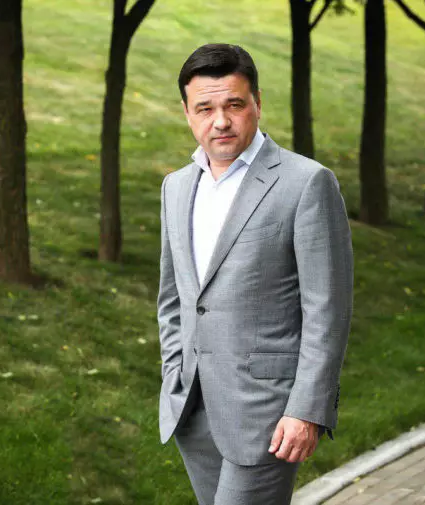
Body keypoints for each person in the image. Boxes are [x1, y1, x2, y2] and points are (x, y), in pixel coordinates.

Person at [157, 43, 353, 505]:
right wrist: (173, 372)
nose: (220, 121)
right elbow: (173, 297)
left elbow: (327, 309)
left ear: (258, 104)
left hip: (269, 415)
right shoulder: (176, 187)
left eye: (234, 105)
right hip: (192, 407)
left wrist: (307, 409)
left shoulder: (306, 183)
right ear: (187, 112)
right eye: (205, 108)